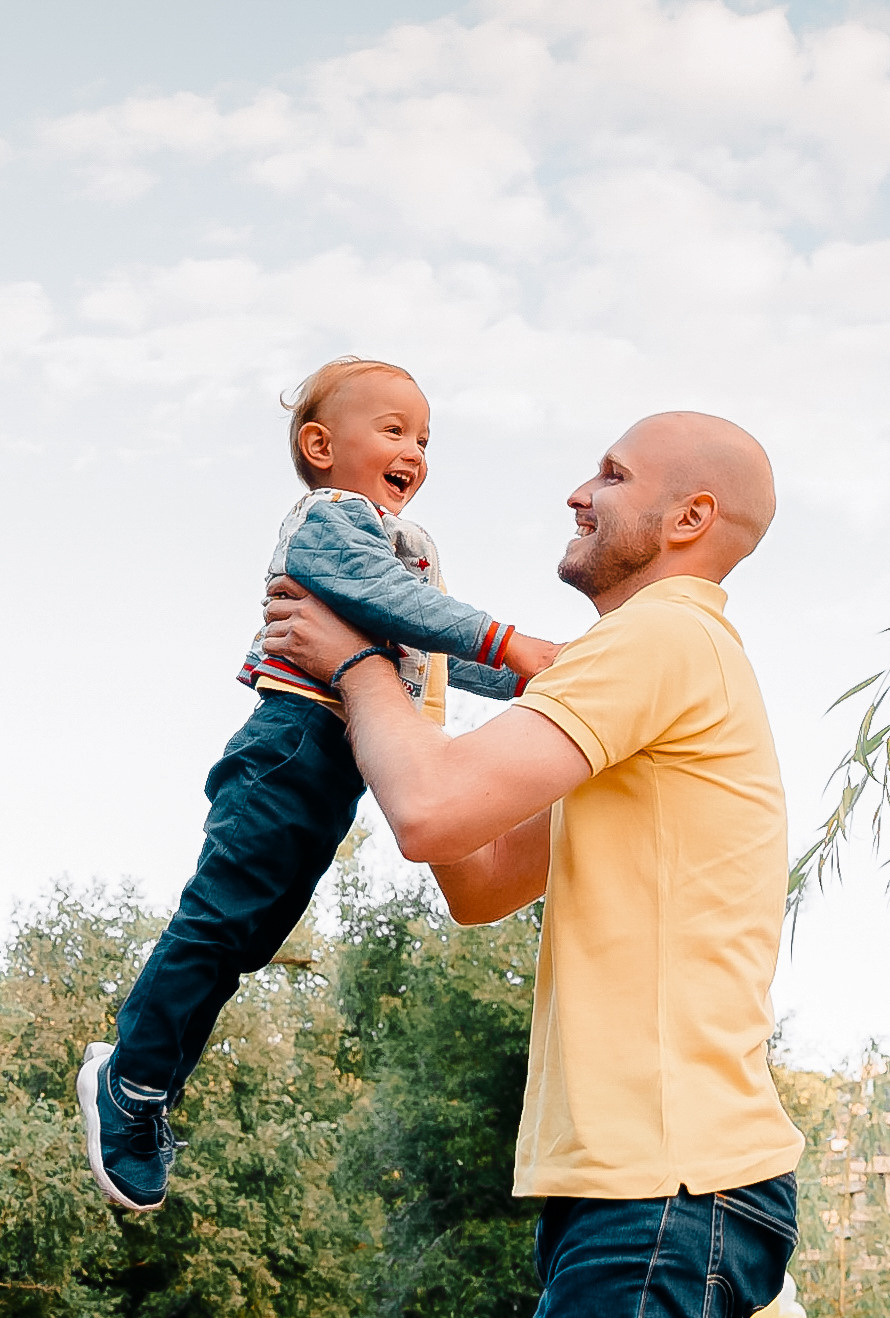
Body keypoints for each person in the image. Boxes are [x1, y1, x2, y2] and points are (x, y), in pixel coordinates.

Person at [261, 411, 803, 1318]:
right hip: (635, 1188)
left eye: (611, 475)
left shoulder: (659, 640)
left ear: (689, 519)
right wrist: (406, 664)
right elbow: (476, 876)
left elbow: (427, 806)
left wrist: (349, 664)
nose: (578, 493)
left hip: (665, 1184)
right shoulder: (667, 668)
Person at [78, 357, 562, 1212]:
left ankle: (142, 1080)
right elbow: (398, 607)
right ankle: (132, 1081)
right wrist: (518, 645)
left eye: (423, 436)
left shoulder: (399, 548)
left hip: (336, 766)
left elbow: (430, 653)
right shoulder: (331, 520)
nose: (413, 448)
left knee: (247, 937)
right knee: (221, 919)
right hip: (291, 742)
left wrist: (531, 680)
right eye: (393, 429)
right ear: (320, 444)